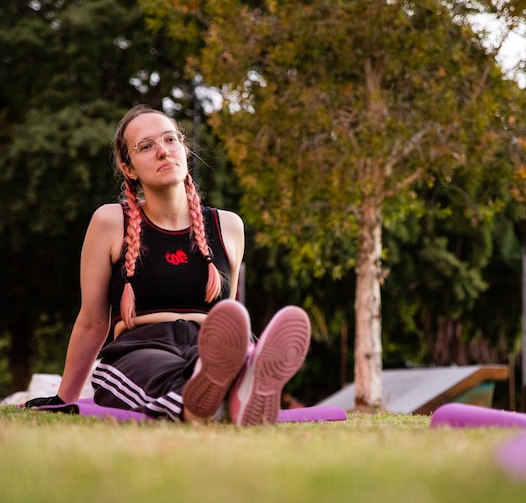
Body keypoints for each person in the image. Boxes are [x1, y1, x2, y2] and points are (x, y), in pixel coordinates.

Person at [25, 104, 311, 425]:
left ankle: (230, 383)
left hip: (210, 345)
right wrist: (65, 398)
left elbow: (226, 319)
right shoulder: (109, 221)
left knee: (219, 355)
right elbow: (92, 322)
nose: (163, 152)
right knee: (165, 375)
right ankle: (218, 397)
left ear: (184, 148)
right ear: (128, 168)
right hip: (141, 348)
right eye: (146, 146)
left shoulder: (228, 225)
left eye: (170, 140)